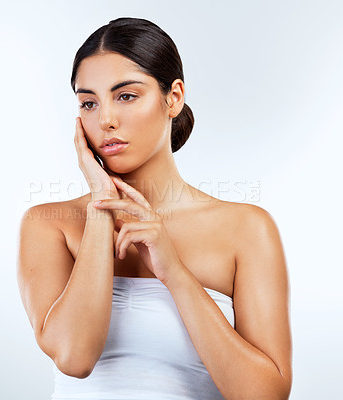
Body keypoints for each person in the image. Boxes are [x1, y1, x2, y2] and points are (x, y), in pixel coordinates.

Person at [17, 17, 292, 400]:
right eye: (89, 103)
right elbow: (74, 358)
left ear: (173, 98)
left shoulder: (245, 228)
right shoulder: (48, 226)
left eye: (126, 95)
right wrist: (101, 205)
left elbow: (265, 396)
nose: (106, 120)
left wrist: (176, 273)